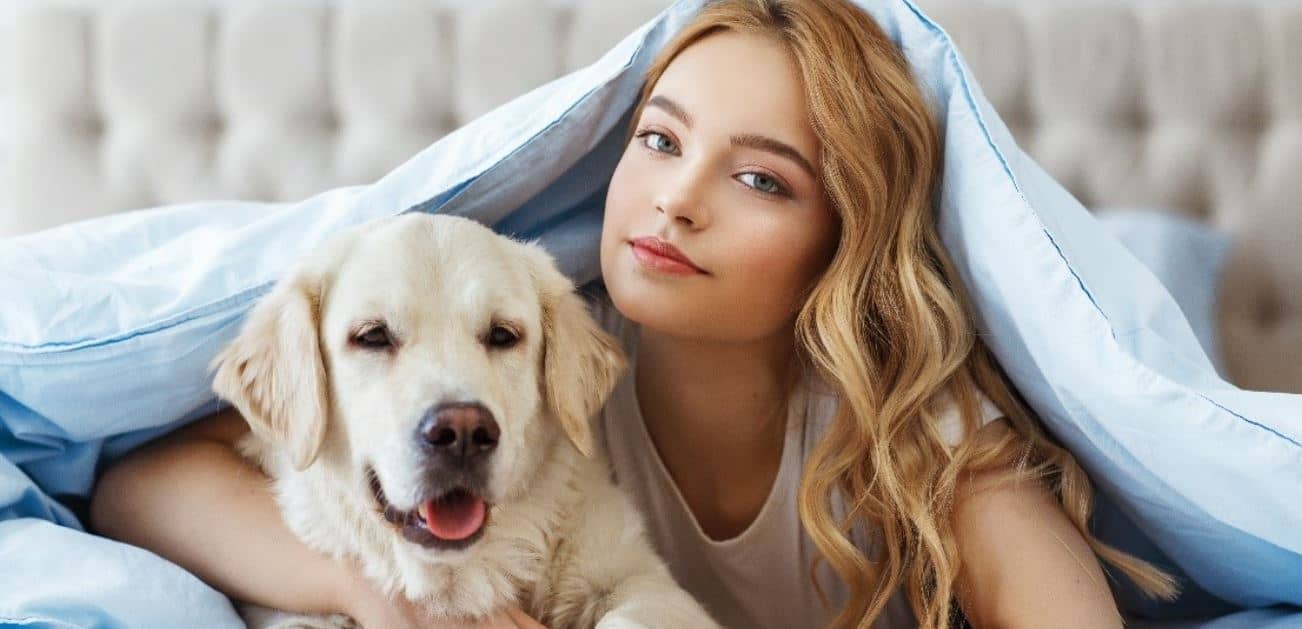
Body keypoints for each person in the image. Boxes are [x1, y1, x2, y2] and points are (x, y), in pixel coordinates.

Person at [89, 1, 1176, 627]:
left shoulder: (910, 438)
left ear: (840, 240)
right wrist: (378, 597)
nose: (676, 197)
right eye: (658, 139)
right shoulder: (536, 357)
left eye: (761, 179)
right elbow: (144, 481)